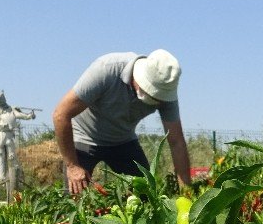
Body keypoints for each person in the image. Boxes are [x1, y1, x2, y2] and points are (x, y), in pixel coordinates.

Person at [53, 49, 191, 196]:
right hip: (85, 135)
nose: (157, 101)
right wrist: (73, 166)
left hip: (123, 140)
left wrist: (186, 193)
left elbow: (176, 142)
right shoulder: (107, 69)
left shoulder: (165, 92)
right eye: (152, 95)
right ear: (140, 79)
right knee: (75, 197)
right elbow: (60, 115)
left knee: (147, 194)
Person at [0, 91, 36, 180]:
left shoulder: (11, 109)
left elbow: (22, 115)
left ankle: (16, 179)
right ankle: (2, 180)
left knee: (12, 158)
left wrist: (30, 115)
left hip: (9, 135)